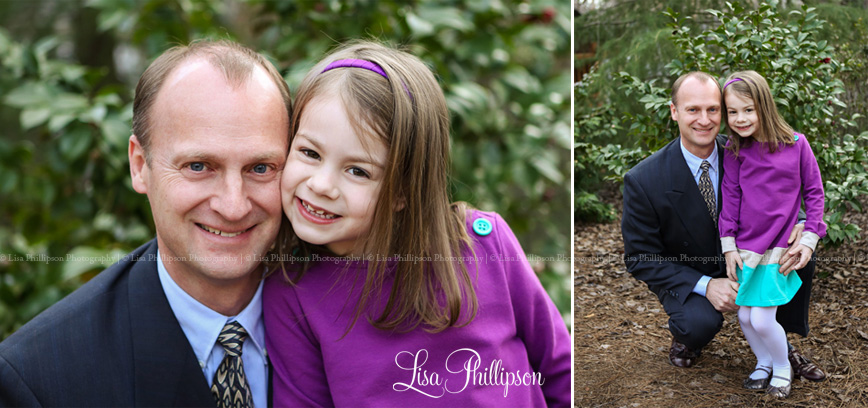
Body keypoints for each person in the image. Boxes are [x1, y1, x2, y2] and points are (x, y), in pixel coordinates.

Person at [263, 41, 570, 407]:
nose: (321, 185)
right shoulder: (293, 291)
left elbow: (560, 372)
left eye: (358, 171)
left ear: (403, 191)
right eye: (310, 153)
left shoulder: (484, 245)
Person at [0, 40, 291, 407]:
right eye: (198, 166)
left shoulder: (349, 320)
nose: (233, 206)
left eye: (260, 168)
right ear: (140, 166)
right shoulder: (38, 378)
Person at [620, 71, 826, 381]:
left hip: (751, 253)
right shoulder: (644, 180)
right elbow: (639, 257)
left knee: (795, 260)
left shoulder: (744, 149)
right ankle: (687, 338)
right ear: (674, 111)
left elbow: (780, 192)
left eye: (713, 109)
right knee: (697, 323)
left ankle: (780, 342)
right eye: (693, 110)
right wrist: (707, 284)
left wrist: (801, 226)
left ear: (724, 111)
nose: (704, 120)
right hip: (695, 267)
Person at [719, 70, 826, 398]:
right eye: (732, 112)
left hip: (780, 247)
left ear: (763, 105)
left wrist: (809, 237)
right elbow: (731, 197)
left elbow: (815, 193)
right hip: (748, 247)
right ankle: (764, 361)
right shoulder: (736, 150)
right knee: (747, 319)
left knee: (764, 320)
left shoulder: (796, 145)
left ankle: (782, 367)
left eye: (748, 109)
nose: (740, 118)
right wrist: (728, 245)